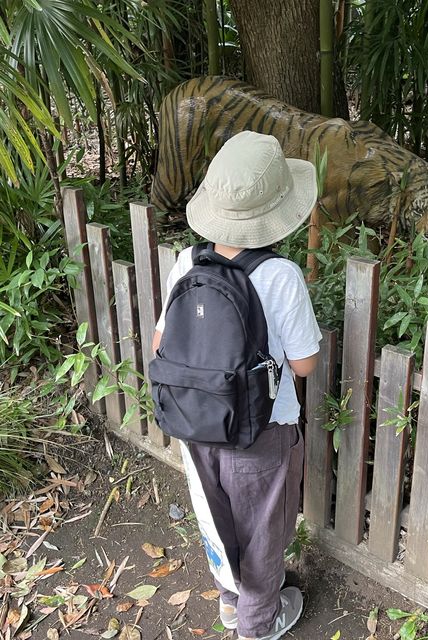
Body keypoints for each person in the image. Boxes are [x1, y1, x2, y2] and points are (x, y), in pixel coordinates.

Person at [151, 130, 322, 640]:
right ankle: (256, 626)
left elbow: (162, 339)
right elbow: (305, 365)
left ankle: (231, 602)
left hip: (195, 421)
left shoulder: (189, 262)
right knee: (263, 530)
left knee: (216, 517)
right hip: (263, 429)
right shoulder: (281, 274)